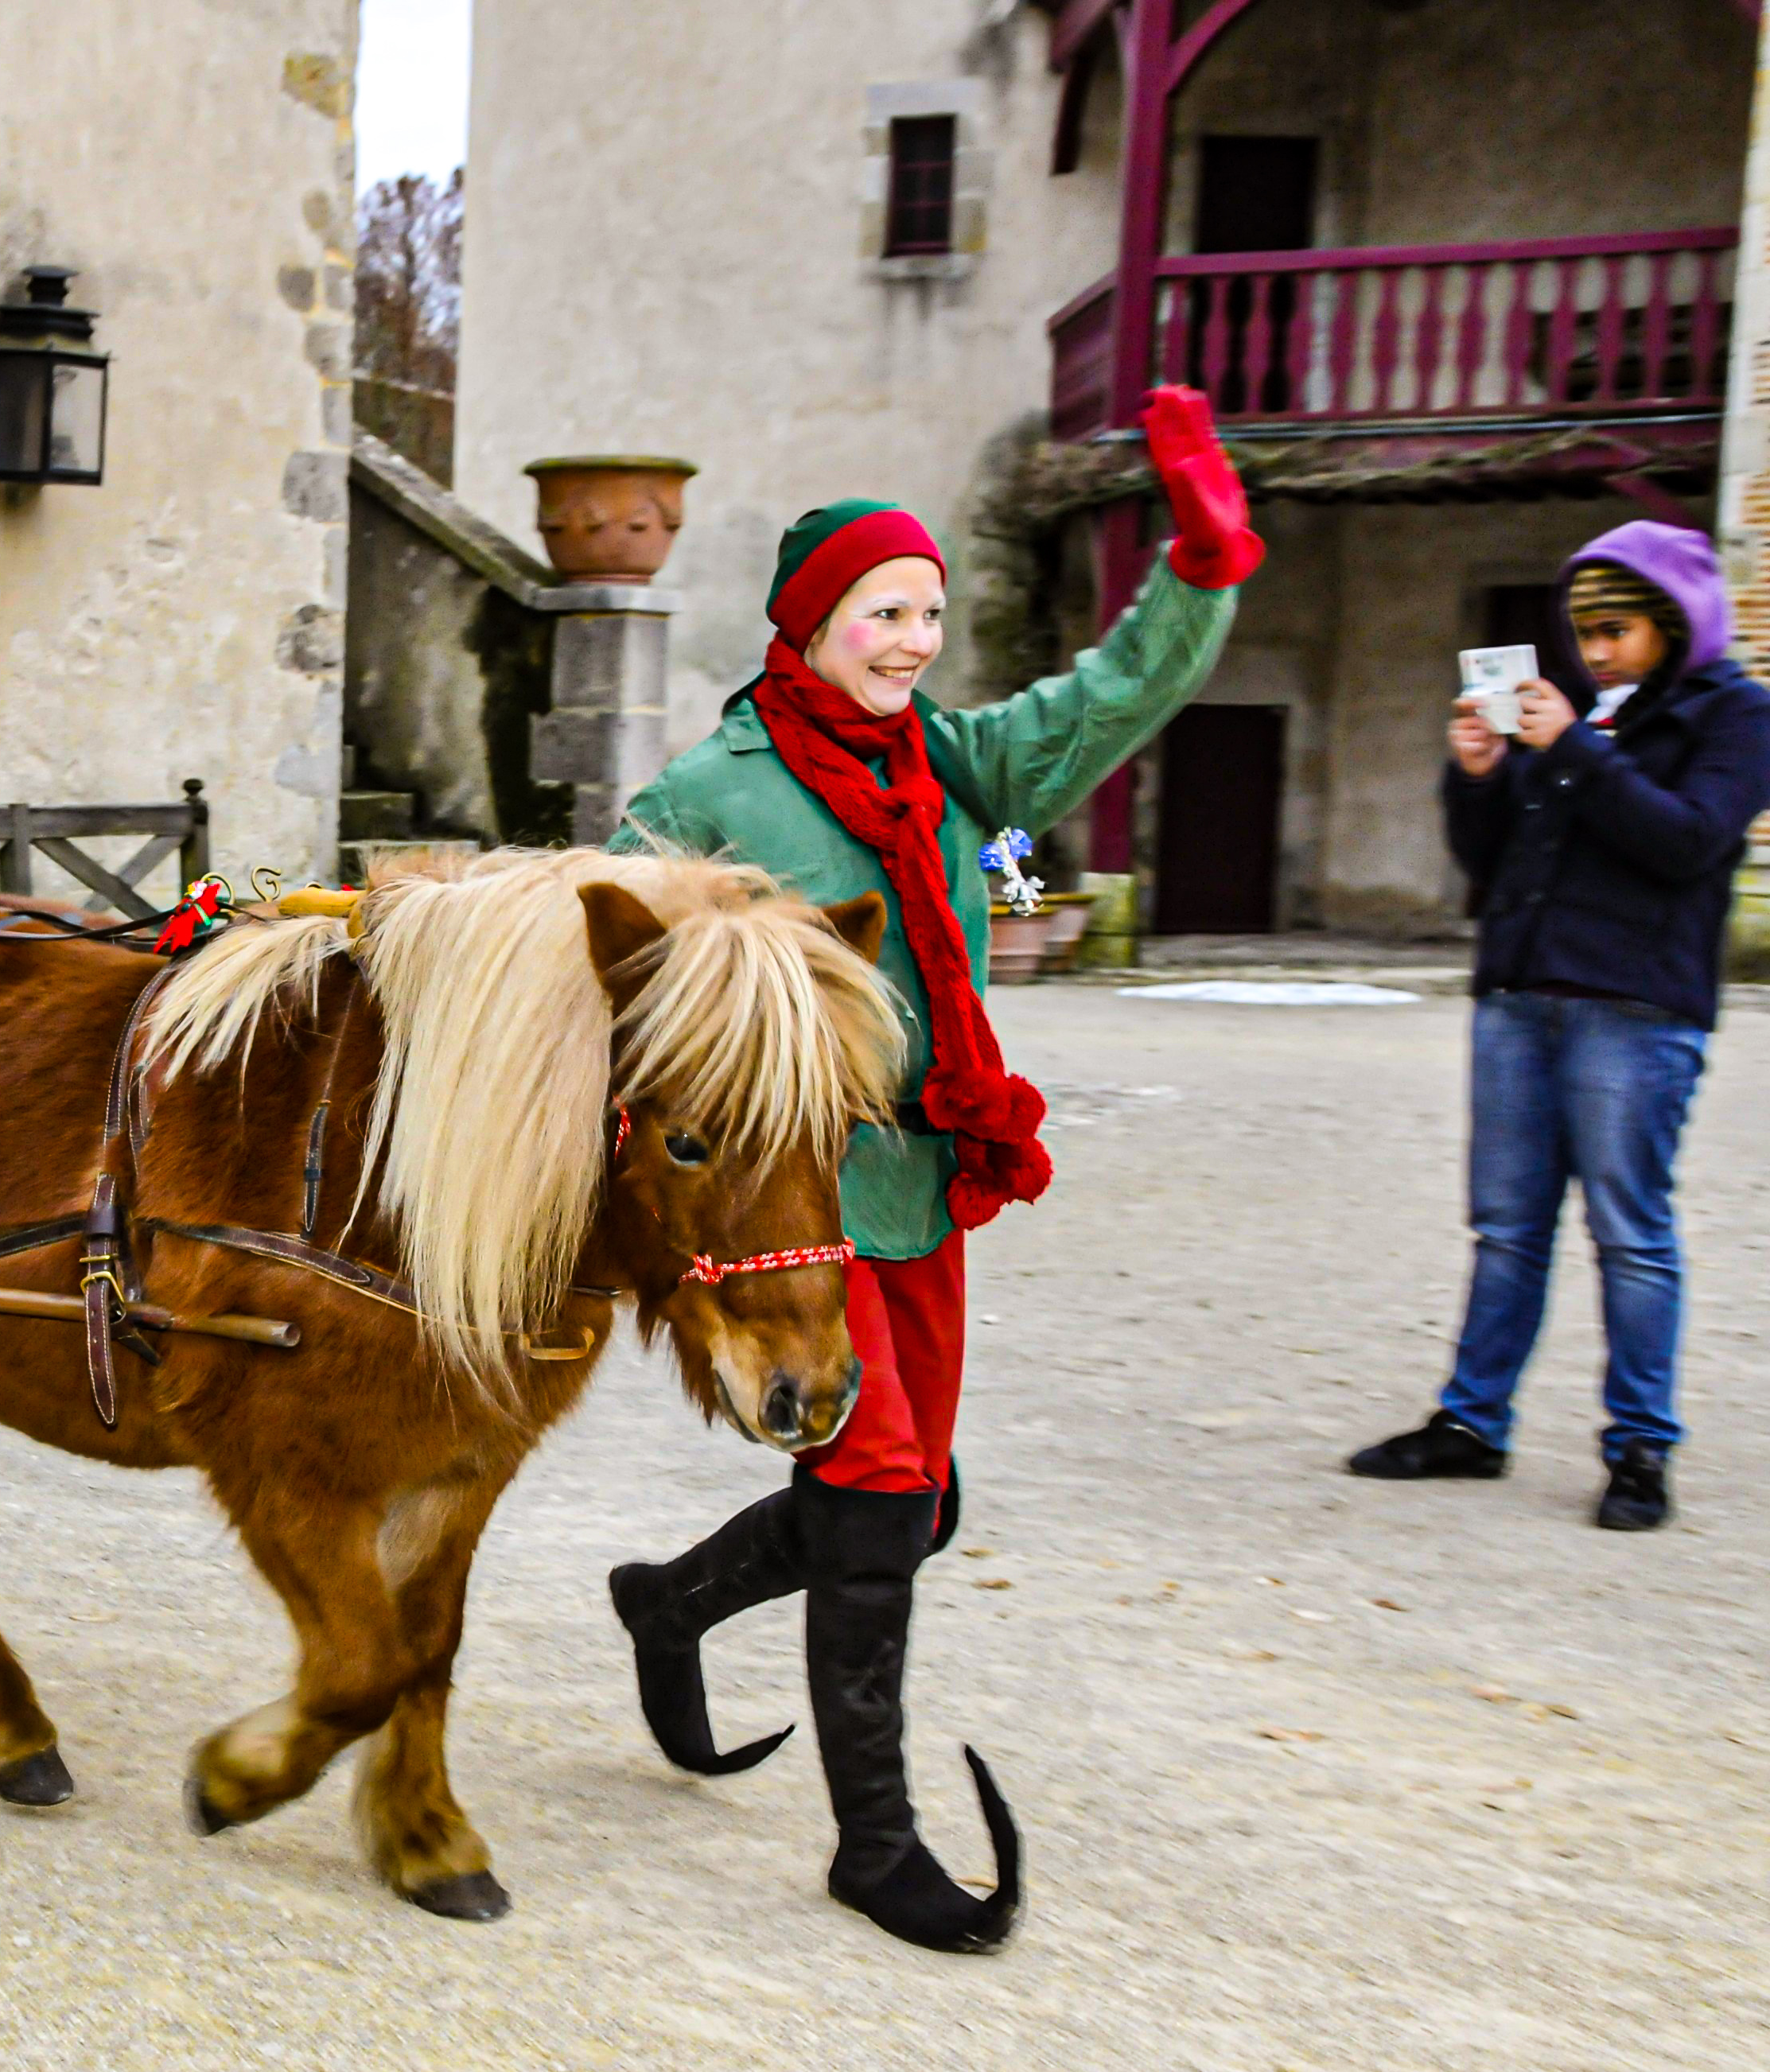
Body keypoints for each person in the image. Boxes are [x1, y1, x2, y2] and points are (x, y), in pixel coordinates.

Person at [603, 384, 1263, 1953]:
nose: (907, 641)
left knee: (913, 1498)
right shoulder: (713, 789)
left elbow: (1108, 698)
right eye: (878, 612)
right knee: (881, 1488)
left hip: (925, 1190)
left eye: (923, 613)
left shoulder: (952, 765)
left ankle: (669, 1600)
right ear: (810, 622)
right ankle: (873, 1843)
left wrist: (1199, 562)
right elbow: (619, 958)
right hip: (794, 1205)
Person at [1348, 525, 1770, 1530]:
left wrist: (1572, 747)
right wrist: (1480, 772)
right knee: (1504, 1232)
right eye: (1583, 632)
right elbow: (1488, 861)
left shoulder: (1737, 715)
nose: (1595, 652)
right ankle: (1470, 1424)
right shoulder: (1579, 724)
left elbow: (1687, 843)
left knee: (1630, 1235)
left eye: (1616, 629)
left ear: (1677, 622)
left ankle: (1638, 1449)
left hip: (1634, 1006)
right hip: (1517, 996)